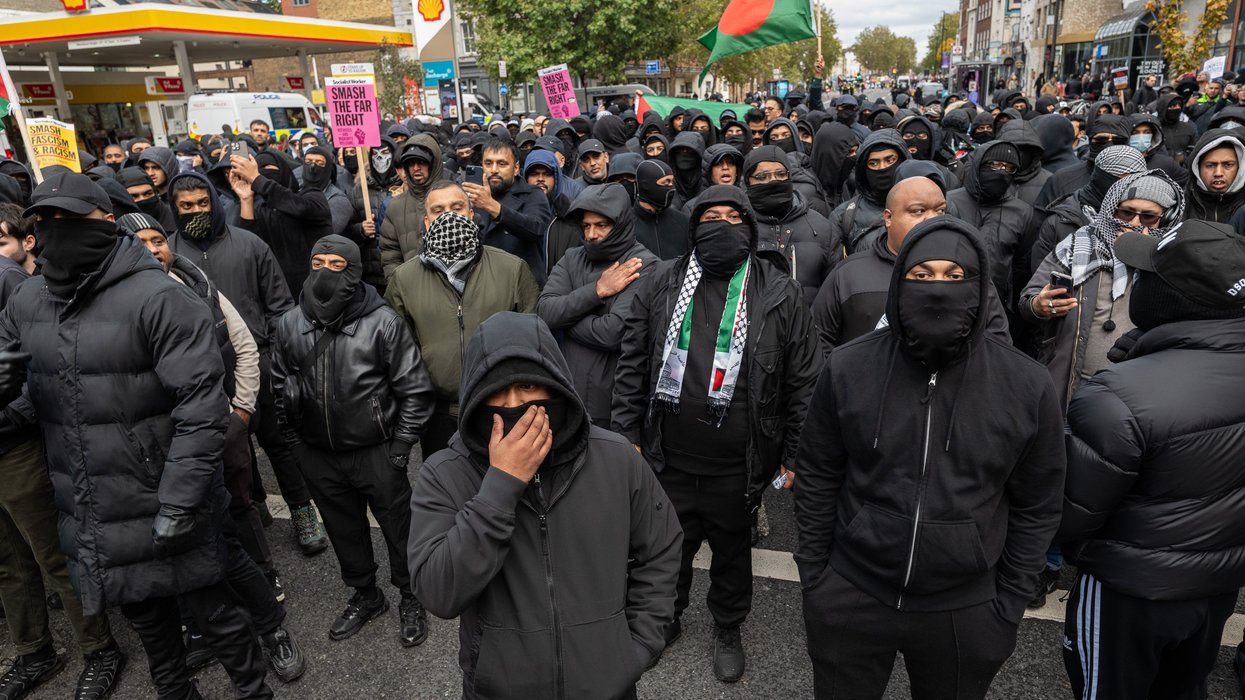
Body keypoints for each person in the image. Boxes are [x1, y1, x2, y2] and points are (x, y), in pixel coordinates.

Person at [0, 173, 272, 698]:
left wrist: (179, 499)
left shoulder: (160, 298)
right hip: (95, 509)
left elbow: (200, 409)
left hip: (168, 502)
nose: (57, 230)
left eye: (71, 219)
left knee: (217, 619)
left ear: (105, 222)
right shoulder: (28, 302)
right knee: (154, 637)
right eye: (46, 220)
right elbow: (31, 405)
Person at [795, 216, 1067, 700]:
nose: (938, 289)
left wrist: (1006, 604)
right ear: (900, 283)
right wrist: (817, 576)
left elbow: (1038, 501)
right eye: (922, 276)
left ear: (980, 288)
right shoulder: (849, 365)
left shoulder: (1025, 384)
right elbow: (818, 472)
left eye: (954, 276)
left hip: (966, 609)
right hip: (853, 591)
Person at [408, 311, 682, 700]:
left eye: (527, 386)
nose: (514, 404)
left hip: (608, 687)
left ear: (556, 386)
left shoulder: (616, 459)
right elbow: (438, 592)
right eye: (496, 392)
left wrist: (637, 646)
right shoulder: (446, 474)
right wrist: (501, 486)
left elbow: (662, 549)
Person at [613, 185, 821, 683]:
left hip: (740, 463)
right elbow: (633, 362)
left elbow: (803, 380)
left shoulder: (777, 290)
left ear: (749, 229)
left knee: (732, 553)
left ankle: (728, 627)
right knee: (666, 549)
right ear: (693, 228)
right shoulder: (662, 282)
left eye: (733, 218)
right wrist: (626, 435)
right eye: (711, 218)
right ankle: (666, 618)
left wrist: (793, 454)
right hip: (669, 457)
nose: (721, 227)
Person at [1058, 220, 1245, 699]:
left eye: (1147, 274)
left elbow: (1071, 513)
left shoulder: (1117, 397)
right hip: (1220, 581)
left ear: (1169, 297)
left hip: (1129, 592)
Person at [119, 212, 307, 684]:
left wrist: (239, 415)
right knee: (178, 556)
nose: (152, 248)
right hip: (152, 459)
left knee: (234, 538)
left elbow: (243, 348)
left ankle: (273, 628)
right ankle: (203, 631)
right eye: (138, 241)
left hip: (213, 439)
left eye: (157, 239)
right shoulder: (113, 306)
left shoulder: (195, 285)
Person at [272, 234, 434, 647]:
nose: (325, 272)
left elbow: (414, 390)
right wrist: (296, 447)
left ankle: (410, 595)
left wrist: (400, 448)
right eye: (317, 262)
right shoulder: (290, 324)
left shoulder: (383, 324)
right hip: (319, 456)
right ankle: (366, 594)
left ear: (355, 271)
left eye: (337, 265)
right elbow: (280, 389)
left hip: (377, 452)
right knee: (345, 532)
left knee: (399, 530)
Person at [165, 171, 329, 558]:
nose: (195, 212)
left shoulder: (249, 244)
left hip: (260, 363)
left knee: (280, 446)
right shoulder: (167, 253)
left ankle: (302, 511)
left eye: (202, 204)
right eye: (185, 207)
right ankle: (253, 508)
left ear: (214, 203)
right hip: (203, 374)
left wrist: (274, 355)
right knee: (230, 450)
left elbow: (280, 306)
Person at [0, 205, 124, 700]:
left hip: (13, 448)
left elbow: (40, 366)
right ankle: (35, 650)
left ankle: (100, 648)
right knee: (7, 561)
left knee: (54, 554)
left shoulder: (9, 281)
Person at [385, 187, 540, 457]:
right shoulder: (403, 279)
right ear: (426, 221)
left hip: (498, 407)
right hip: (438, 416)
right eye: (438, 211)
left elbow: (531, 340)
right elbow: (399, 350)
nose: (448, 217)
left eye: (456, 208)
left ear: (471, 213)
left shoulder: (512, 269)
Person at [812, 177, 1011, 353]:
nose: (932, 219)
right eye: (918, 211)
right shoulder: (848, 274)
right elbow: (818, 342)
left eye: (940, 210)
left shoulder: (968, 270)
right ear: (888, 218)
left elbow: (998, 342)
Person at [536, 183, 658, 425]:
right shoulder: (573, 258)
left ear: (620, 223)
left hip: (612, 405)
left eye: (602, 225)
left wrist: (565, 321)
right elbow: (544, 312)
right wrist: (596, 291)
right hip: (564, 393)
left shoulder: (643, 265)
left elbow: (613, 332)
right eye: (586, 226)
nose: (591, 235)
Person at [743, 146, 838, 306]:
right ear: (748, 182)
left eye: (780, 174)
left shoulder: (822, 228)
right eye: (762, 176)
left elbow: (834, 293)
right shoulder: (739, 226)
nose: (773, 181)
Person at [1030, 146, 1148, 274]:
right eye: (1126, 180)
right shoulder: (1061, 222)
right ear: (1104, 179)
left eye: (1138, 182)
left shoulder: (1147, 220)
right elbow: (1042, 280)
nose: (1133, 189)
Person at [229, 150, 332, 297]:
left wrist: (257, 179)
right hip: (278, 293)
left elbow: (299, 208)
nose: (265, 174)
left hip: (316, 289)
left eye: (270, 169)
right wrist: (246, 200)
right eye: (260, 170)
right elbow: (250, 244)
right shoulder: (260, 208)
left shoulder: (312, 196)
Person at [944, 141, 1034, 307]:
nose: (1002, 172)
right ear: (979, 165)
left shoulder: (1022, 212)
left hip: (996, 307)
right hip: (950, 302)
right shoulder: (948, 202)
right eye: (995, 165)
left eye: (1009, 167)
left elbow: (1021, 266)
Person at [466, 138, 554, 286]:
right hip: (483, 285)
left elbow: (535, 228)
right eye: (488, 163)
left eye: (502, 164)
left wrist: (492, 207)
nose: (494, 170)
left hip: (522, 286)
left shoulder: (532, 194)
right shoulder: (471, 197)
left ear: (516, 168)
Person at [828, 129, 911, 255]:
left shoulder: (929, 205)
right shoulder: (843, 216)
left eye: (890, 160)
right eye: (873, 163)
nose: (882, 167)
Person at [379, 135, 444, 279]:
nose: (416, 168)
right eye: (410, 163)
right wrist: (399, 288)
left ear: (433, 164)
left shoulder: (453, 199)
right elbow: (390, 255)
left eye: (422, 162)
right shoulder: (395, 206)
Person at [1184, 129, 1245, 223]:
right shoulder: (1182, 204)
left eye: (1228, 165)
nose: (1218, 173)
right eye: (1210, 165)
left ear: (1239, 168)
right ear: (1197, 168)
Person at [116, 167, 177, 232]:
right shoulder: (117, 230)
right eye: (134, 196)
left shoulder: (176, 222)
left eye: (148, 194)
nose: (142, 199)